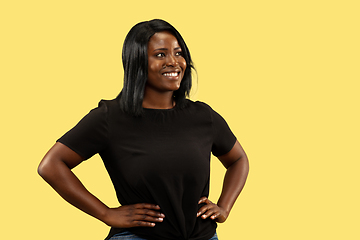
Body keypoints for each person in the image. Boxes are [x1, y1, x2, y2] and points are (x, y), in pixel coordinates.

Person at [38, 19, 249, 240]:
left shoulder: (203, 116)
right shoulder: (110, 117)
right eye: (160, 55)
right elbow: (51, 165)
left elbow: (238, 160)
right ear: (137, 62)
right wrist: (105, 213)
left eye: (178, 53)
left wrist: (224, 207)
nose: (174, 62)